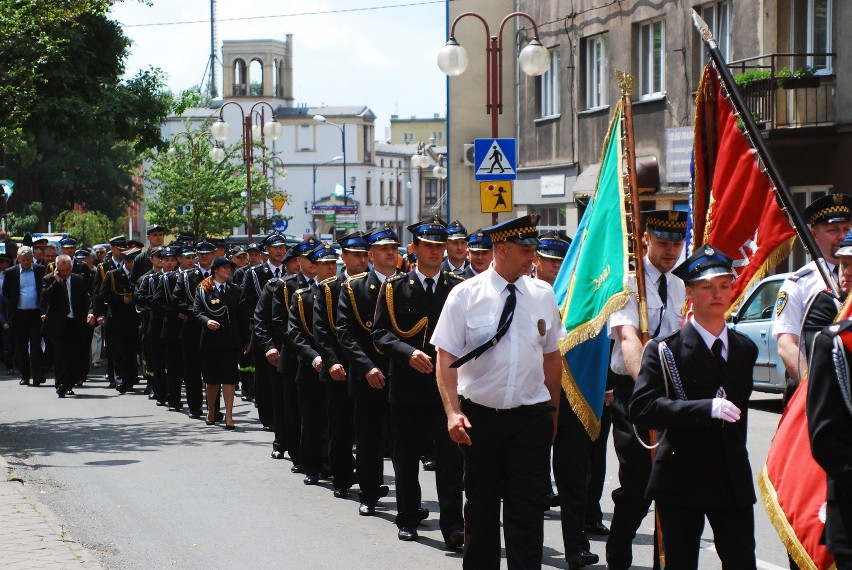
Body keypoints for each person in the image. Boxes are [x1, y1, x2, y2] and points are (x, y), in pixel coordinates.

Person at [432, 214, 563, 567]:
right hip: (481, 420)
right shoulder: (465, 295)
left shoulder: (542, 294)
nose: (532, 258)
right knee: (481, 511)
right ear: (501, 249)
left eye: (534, 249)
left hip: (530, 418)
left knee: (528, 513)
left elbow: (552, 358)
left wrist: (553, 412)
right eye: (525, 250)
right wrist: (453, 412)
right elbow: (445, 359)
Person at [630, 244, 758, 569]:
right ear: (689, 292)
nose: (718, 294)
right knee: (681, 563)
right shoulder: (665, 350)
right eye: (707, 287)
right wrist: (705, 409)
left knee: (742, 561)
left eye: (724, 285)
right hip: (682, 475)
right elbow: (643, 408)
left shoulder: (745, 349)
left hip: (730, 476)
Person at [373, 216, 465, 547]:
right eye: (428, 246)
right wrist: (407, 353)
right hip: (407, 385)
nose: (435, 252)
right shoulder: (395, 287)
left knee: (451, 461)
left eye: (439, 246)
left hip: (447, 388)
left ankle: (454, 524)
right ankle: (408, 517)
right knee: (406, 457)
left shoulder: (457, 286)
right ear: (413, 249)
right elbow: (380, 332)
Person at [605, 209, 687, 570]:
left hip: (674, 396)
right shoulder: (628, 283)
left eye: (676, 244)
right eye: (663, 242)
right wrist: (649, 391)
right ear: (645, 240)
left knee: (671, 489)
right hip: (635, 394)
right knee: (638, 489)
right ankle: (618, 559)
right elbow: (628, 340)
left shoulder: (681, 284)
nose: (670, 251)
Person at [337, 224, 400, 516]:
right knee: (368, 438)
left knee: (403, 441)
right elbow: (345, 333)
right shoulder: (354, 287)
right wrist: (366, 368)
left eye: (394, 248)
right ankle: (370, 491)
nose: (391, 253)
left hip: (402, 374)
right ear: (371, 254)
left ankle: (408, 499)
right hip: (367, 376)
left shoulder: (407, 284)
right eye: (384, 249)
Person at [775, 193, 852, 405]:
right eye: (833, 230)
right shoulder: (798, 284)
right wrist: (814, 387)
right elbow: (787, 345)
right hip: (813, 393)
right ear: (814, 235)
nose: (841, 236)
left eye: (846, 229)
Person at [313, 231, 369, 498]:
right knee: (340, 425)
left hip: (368, 366)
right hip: (339, 367)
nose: (361, 260)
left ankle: (371, 479)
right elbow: (322, 331)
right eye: (356, 255)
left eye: (364, 254)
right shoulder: (329, 288)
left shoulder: (380, 285)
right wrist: (332, 361)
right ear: (343, 258)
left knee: (370, 427)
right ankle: (342, 477)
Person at [287, 243, 338, 484]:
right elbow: (295, 333)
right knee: (311, 418)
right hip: (311, 367)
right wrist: (314, 357)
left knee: (336, 419)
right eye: (325, 264)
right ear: (314, 267)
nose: (330, 268)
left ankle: (334, 464)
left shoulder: (343, 293)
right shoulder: (303, 296)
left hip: (338, 366)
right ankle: (312, 465)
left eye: (333, 263)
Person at [240, 233, 291, 429]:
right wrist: (260, 321)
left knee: (284, 377)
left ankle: (285, 415)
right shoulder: (254, 273)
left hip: (286, 332)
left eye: (282, 247)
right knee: (264, 379)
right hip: (263, 332)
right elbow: (245, 303)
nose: (279, 251)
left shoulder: (291, 270)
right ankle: (268, 417)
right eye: (275, 247)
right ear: (267, 250)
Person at [191, 256, 245, 429]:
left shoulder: (236, 290)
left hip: (231, 340)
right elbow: (197, 311)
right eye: (225, 268)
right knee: (212, 379)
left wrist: (247, 339)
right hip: (210, 341)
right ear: (216, 270)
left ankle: (229, 415)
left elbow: (242, 317)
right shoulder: (203, 289)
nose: (228, 271)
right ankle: (211, 410)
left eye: (230, 268)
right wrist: (206, 321)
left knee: (229, 378)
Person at [172, 241, 217, 417]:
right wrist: (198, 314)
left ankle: (213, 408)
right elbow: (177, 300)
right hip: (193, 328)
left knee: (213, 371)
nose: (204, 256)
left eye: (208, 253)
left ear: (213, 255)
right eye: (201, 253)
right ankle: (195, 406)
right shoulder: (186, 276)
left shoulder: (221, 273)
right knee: (192, 370)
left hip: (215, 329)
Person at [41, 255, 89, 397]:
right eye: (61, 270)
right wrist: (56, 282)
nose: (65, 273)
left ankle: (69, 384)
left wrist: (89, 313)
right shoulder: (48, 279)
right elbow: (45, 296)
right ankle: (60, 384)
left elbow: (85, 299)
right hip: (58, 324)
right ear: (56, 269)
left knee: (73, 355)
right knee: (60, 354)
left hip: (75, 322)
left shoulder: (78, 279)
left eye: (67, 270)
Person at [97, 248, 142, 393]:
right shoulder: (113, 275)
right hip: (116, 319)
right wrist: (120, 299)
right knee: (118, 351)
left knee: (131, 351)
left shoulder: (138, 277)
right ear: (128, 262)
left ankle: (130, 379)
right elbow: (102, 295)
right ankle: (120, 379)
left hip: (133, 320)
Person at [2, 246, 47, 386]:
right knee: (20, 346)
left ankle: (38, 374)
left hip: (36, 314)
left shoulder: (40, 270)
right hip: (19, 314)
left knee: (36, 344)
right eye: (23, 260)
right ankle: (25, 375)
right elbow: (6, 293)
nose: (26, 262)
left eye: (29, 259)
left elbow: (43, 290)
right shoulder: (11, 272)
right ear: (18, 259)